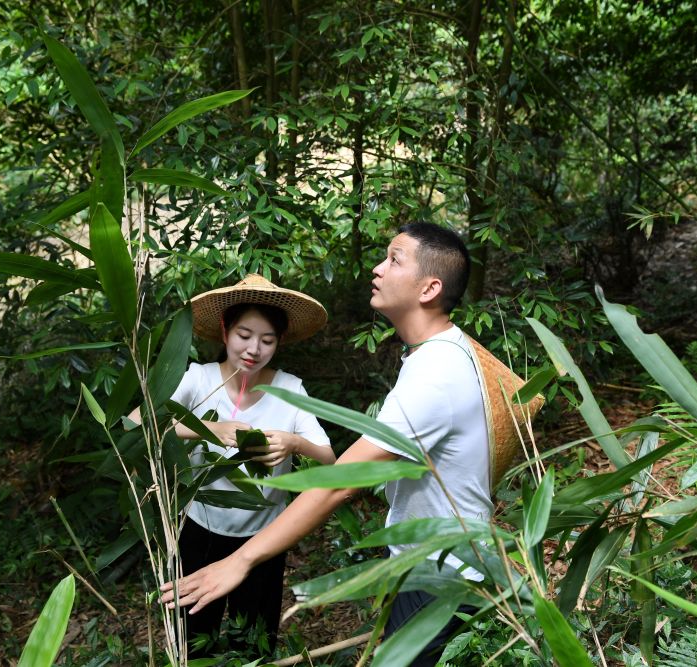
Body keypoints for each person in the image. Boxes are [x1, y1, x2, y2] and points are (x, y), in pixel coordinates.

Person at [161, 223, 490, 666]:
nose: (377, 268)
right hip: (433, 564)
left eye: (394, 259)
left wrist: (240, 561)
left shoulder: (436, 373)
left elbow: (341, 481)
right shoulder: (438, 355)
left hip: (443, 576)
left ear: (430, 288)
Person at [130, 274, 335, 655]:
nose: (254, 349)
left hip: (262, 538)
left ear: (280, 342)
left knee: (254, 642)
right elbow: (136, 424)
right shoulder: (197, 378)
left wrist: (294, 443)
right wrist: (209, 428)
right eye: (244, 335)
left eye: (267, 340)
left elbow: (330, 459)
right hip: (198, 527)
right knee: (194, 636)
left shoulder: (290, 389)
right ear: (225, 331)